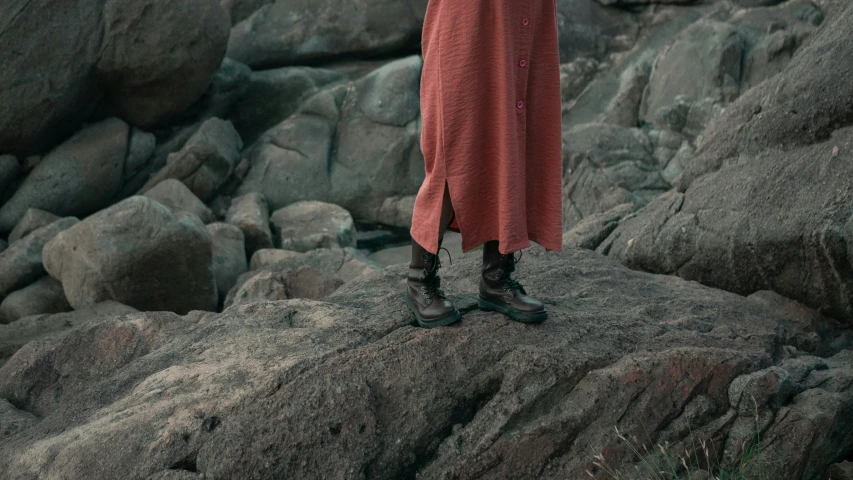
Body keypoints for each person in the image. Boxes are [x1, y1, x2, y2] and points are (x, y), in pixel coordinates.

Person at [406, 0, 564, 328]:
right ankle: (419, 280)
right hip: (468, 14)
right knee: (454, 139)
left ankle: (496, 279)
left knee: (515, 135)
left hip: (524, 11)